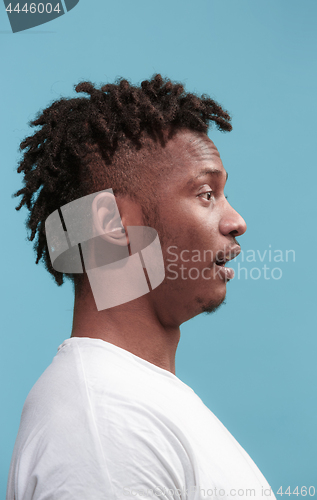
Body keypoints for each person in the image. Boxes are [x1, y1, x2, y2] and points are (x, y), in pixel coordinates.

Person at [7, 74, 275, 500]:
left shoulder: (135, 402)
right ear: (112, 227)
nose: (236, 221)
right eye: (207, 194)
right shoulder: (105, 430)